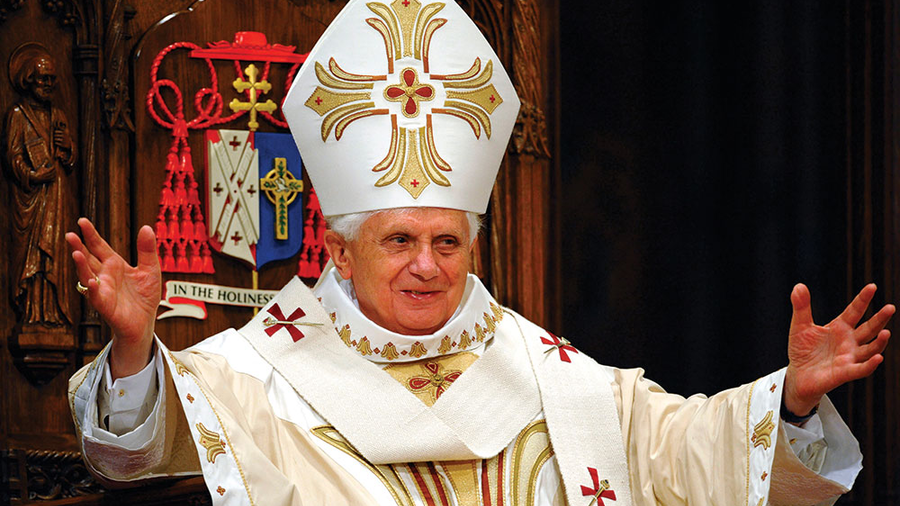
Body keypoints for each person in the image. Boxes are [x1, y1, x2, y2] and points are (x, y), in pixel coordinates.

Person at [67, 1, 893, 505]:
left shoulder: (545, 371)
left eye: (447, 241)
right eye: (400, 241)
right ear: (339, 252)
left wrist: (789, 401)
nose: (428, 264)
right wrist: (138, 349)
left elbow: (680, 449)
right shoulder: (253, 377)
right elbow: (133, 455)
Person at [4, 43, 76, 327]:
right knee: (33, 257)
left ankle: (52, 313)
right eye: (42, 78)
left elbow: (69, 160)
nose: (48, 84)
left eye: (52, 79)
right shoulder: (18, 115)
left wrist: (68, 148)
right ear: (28, 79)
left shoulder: (57, 115)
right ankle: (32, 314)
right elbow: (12, 157)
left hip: (56, 197)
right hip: (30, 199)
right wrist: (32, 177)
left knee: (54, 255)